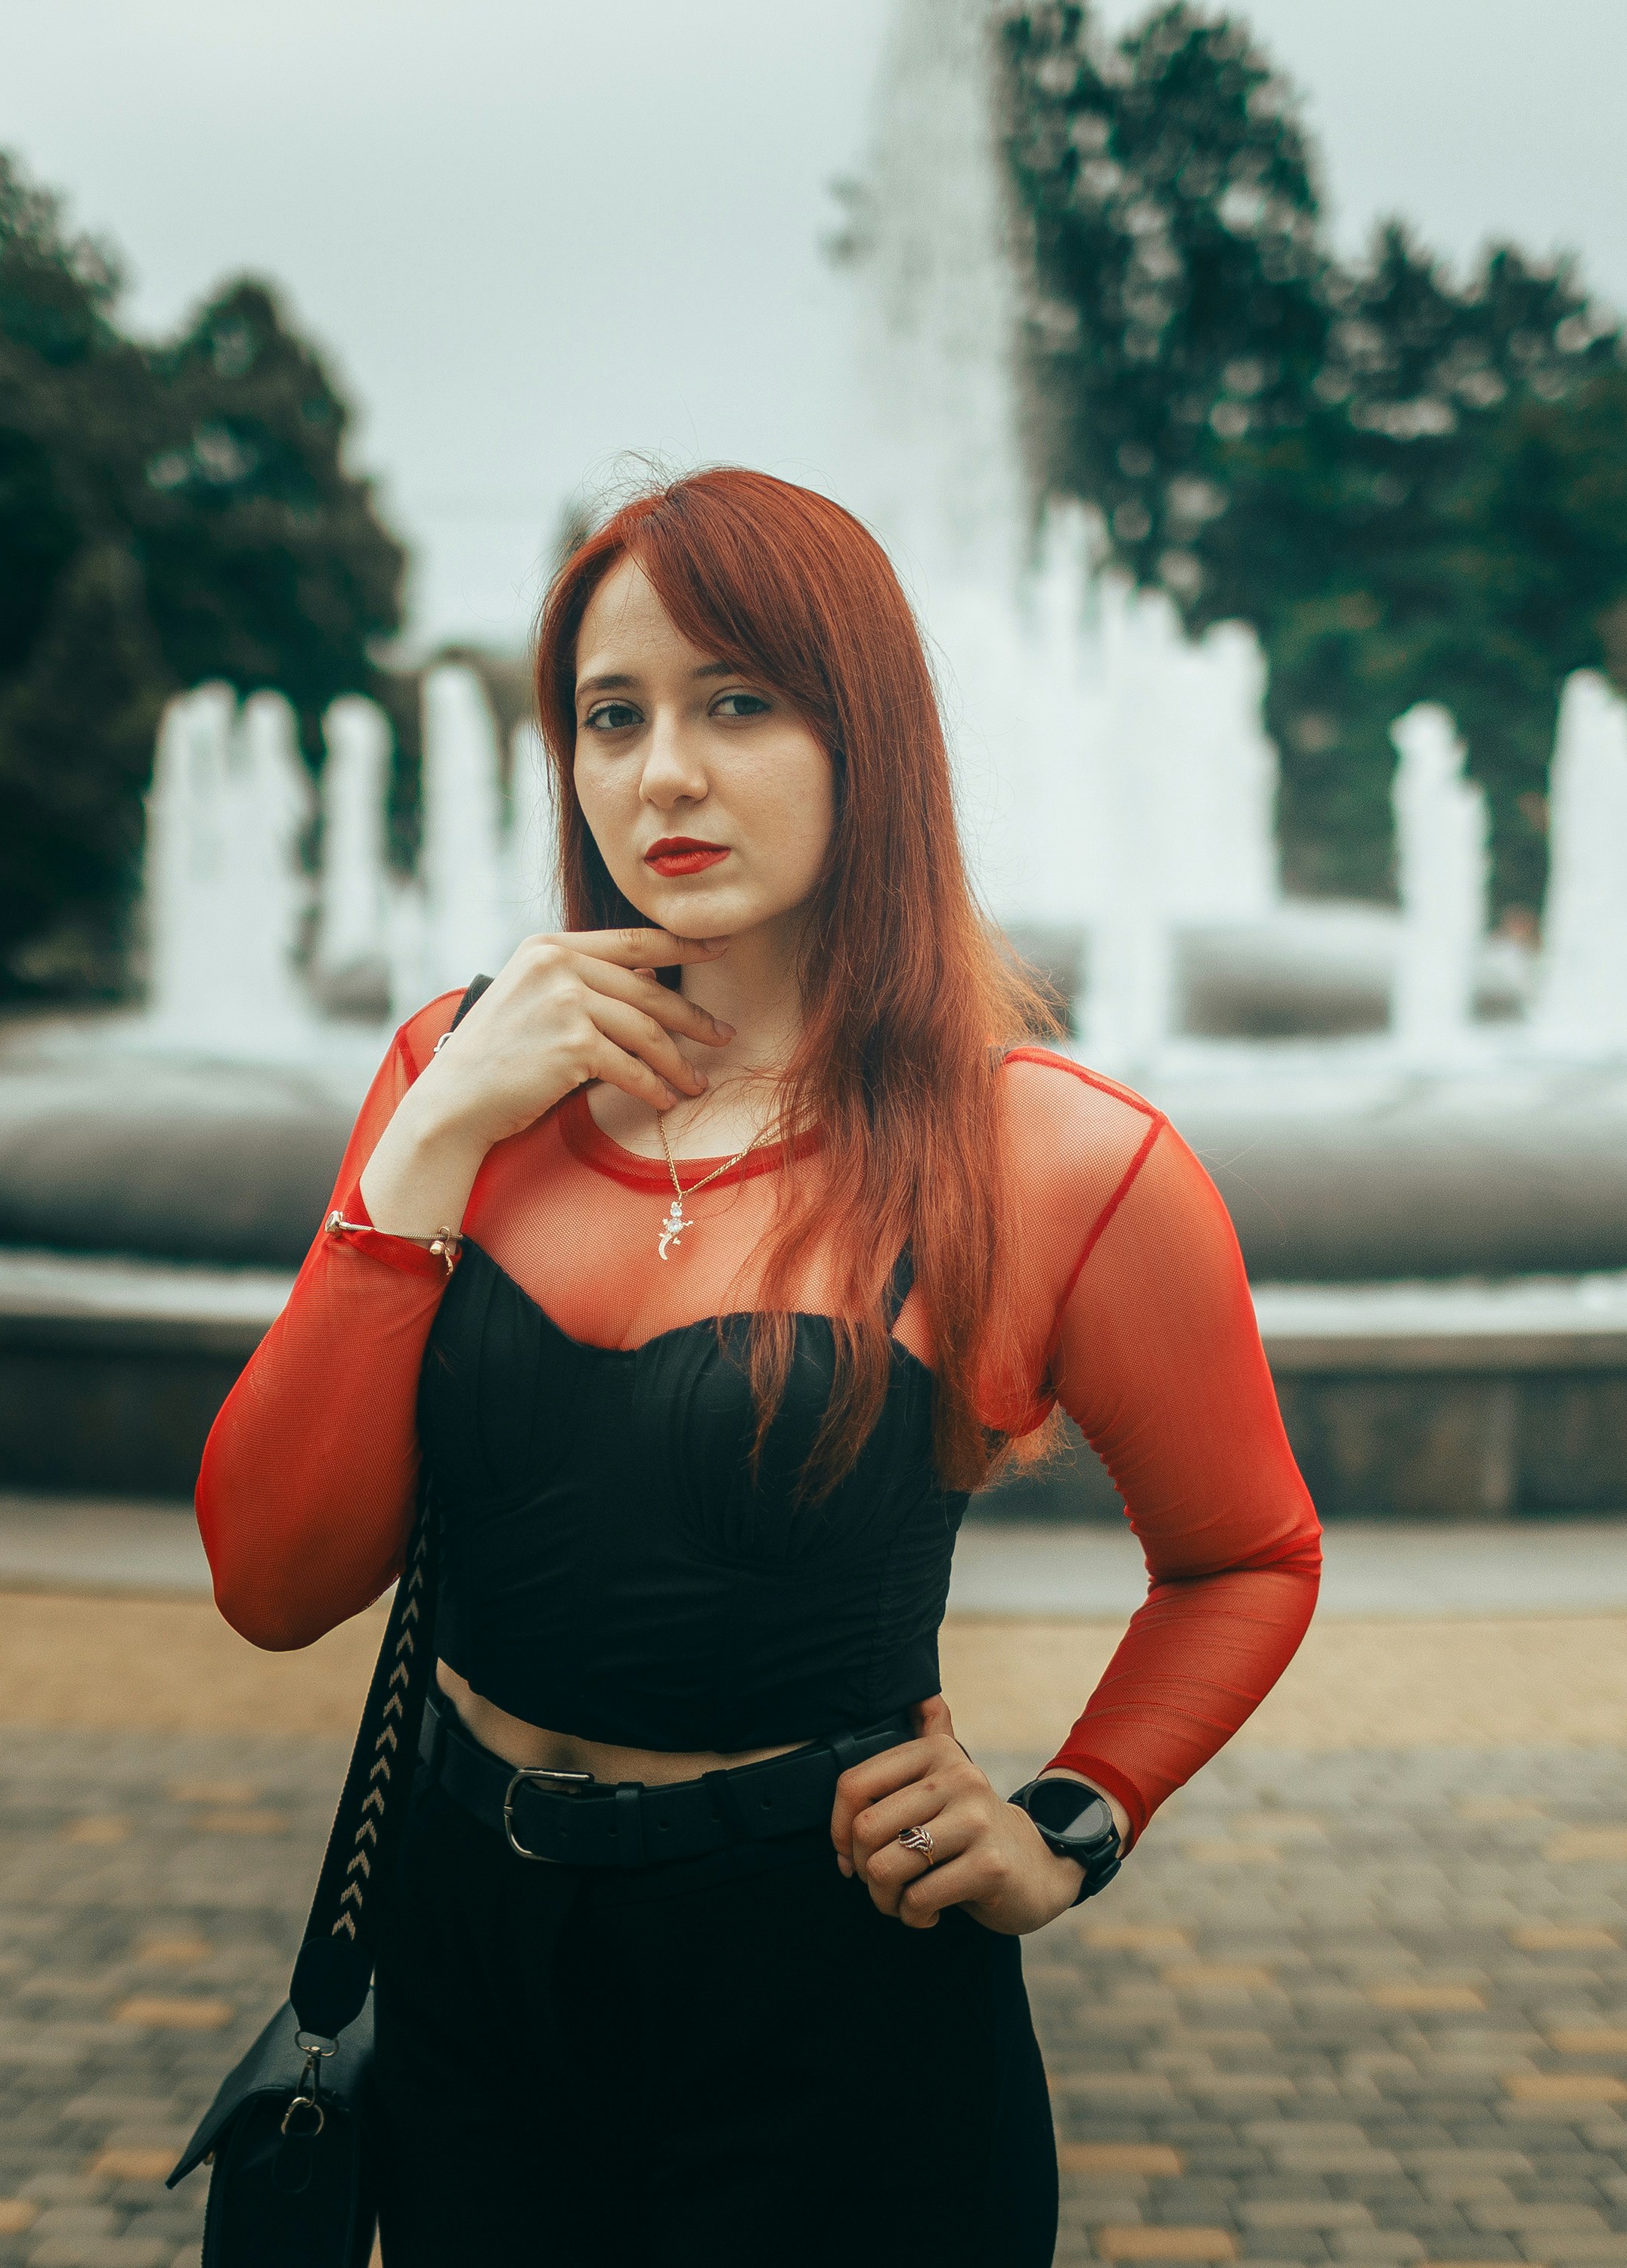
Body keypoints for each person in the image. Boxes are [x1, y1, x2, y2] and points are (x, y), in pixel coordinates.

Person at [194, 466, 1325, 2265]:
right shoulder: (456, 1077)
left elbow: (1247, 1557)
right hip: (467, 1959)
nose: (664, 775)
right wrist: (426, 1154)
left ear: (864, 738)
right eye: (610, 716)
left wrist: (1071, 1822)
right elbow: (270, 1581)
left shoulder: (1056, 1158)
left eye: (739, 705)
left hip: (834, 2000)